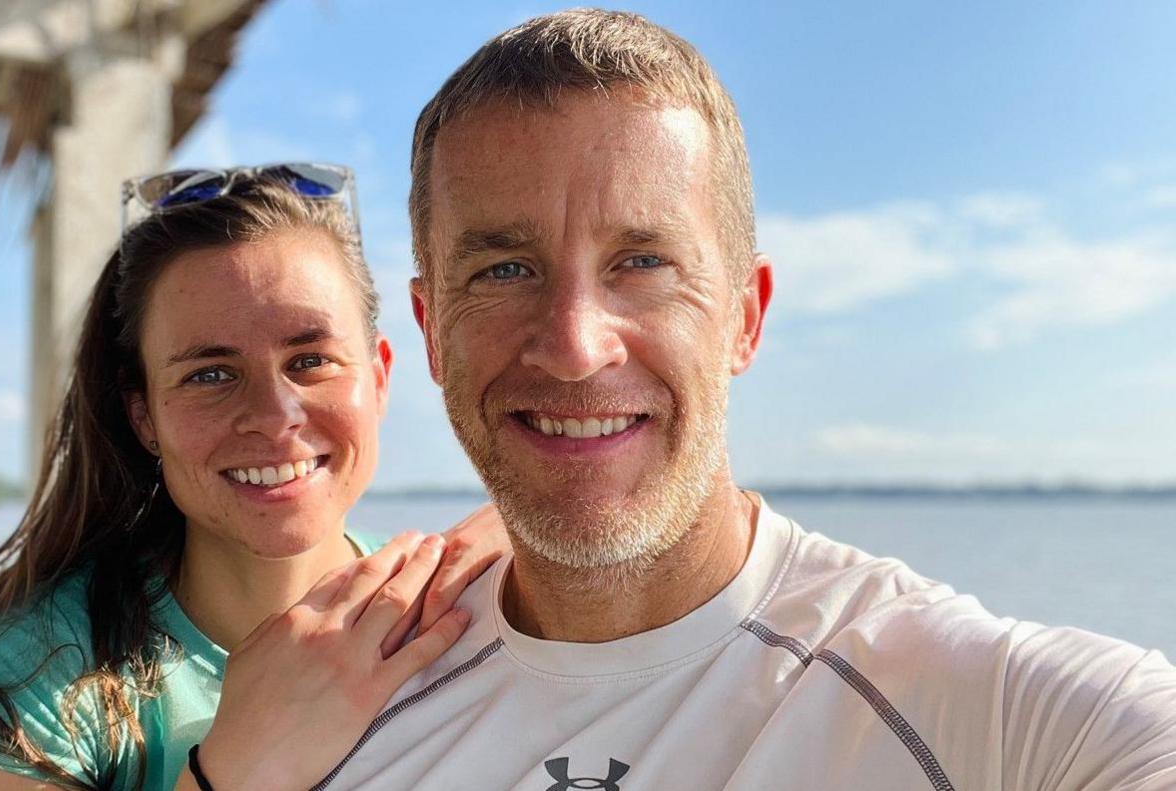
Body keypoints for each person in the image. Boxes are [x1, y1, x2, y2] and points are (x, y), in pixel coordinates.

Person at [307, 10, 1176, 790]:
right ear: (429, 328)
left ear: (744, 318)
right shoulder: (338, 706)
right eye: (504, 270)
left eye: (642, 263)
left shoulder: (957, 705)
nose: (575, 347)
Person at [0, 165, 507, 791]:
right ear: (142, 413)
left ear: (380, 378)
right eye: (209, 374)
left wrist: (528, 536)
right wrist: (235, 767)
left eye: (310, 361)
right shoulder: (25, 667)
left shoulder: (458, 611)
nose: (274, 417)